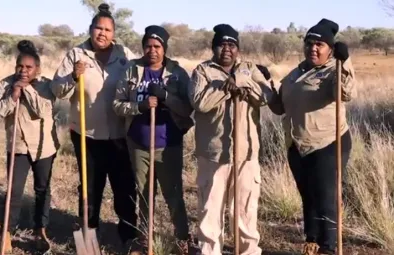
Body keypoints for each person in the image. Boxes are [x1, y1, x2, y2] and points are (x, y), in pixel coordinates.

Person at [49, 3, 138, 247]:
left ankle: (129, 239)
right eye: (98, 28)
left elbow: (139, 79)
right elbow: (56, 89)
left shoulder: (125, 55)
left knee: (124, 188)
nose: (103, 33)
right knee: (90, 188)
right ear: (90, 29)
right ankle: (88, 240)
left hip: (120, 135)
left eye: (108, 30)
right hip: (86, 135)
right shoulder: (76, 55)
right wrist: (72, 77)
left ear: (114, 33)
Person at [269, 18, 356, 255]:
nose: (313, 48)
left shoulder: (333, 70)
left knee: (326, 195)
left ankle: (329, 247)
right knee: (308, 194)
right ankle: (312, 241)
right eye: (309, 43)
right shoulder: (296, 72)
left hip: (328, 142)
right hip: (297, 145)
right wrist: (265, 84)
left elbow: (346, 92)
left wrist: (344, 61)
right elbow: (279, 107)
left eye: (320, 44)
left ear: (330, 48)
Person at [188, 24, 275, 255]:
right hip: (214, 154)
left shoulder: (250, 69)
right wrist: (225, 89)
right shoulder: (202, 71)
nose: (227, 49)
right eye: (222, 44)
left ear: (238, 48)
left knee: (245, 210)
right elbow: (200, 103)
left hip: (246, 154)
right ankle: (209, 251)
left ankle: (247, 252)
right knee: (210, 210)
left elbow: (266, 97)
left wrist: (243, 83)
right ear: (214, 47)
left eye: (232, 44)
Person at [113, 25, 194, 254]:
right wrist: (139, 106)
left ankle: (182, 239)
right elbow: (117, 105)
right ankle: (145, 238)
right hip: (139, 144)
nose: (152, 50)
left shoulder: (177, 73)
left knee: (173, 194)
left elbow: (188, 108)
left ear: (164, 48)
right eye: (148, 46)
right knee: (144, 194)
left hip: (168, 144)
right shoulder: (131, 70)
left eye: (157, 46)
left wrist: (166, 97)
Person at [0, 40, 60, 253]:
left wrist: (26, 89)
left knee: (42, 190)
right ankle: (8, 231)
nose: (23, 71)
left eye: (29, 67)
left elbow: (44, 110)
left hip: (43, 147)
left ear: (37, 68)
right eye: (20, 66)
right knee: (14, 191)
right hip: (17, 146)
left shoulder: (46, 85)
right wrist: (12, 96)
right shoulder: (6, 84)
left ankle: (40, 230)